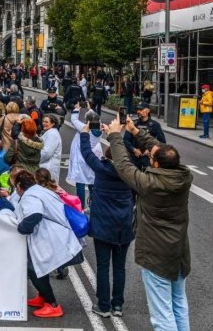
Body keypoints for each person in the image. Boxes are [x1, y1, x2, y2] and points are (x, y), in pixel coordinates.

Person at [105, 115, 192, 331]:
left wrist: (115, 136)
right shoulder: (184, 176)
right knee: (179, 304)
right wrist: (135, 132)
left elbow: (124, 166)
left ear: (155, 163)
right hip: (179, 252)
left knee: (162, 315)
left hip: (156, 255)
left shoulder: (150, 183)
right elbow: (162, 149)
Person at [79, 125, 134, 318]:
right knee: (119, 267)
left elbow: (86, 153)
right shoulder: (131, 175)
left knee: (103, 267)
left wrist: (85, 133)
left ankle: (103, 306)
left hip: (103, 226)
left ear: (107, 156)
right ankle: (117, 305)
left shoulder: (101, 169)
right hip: (124, 228)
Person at [15, 170, 82, 318]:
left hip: (53, 238)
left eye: (15, 187)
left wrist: (22, 228)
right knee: (40, 268)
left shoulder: (29, 196)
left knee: (34, 269)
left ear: (19, 186)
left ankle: (52, 305)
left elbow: (35, 214)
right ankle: (42, 297)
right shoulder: (39, 190)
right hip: (55, 235)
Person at [67, 103, 102, 210]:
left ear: (88, 121)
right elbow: (94, 118)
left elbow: (73, 120)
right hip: (91, 158)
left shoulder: (83, 128)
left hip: (81, 158)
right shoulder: (99, 130)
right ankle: (93, 205)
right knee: (92, 182)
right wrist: (90, 109)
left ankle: (80, 207)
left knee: (80, 183)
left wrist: (77, 108)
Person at [124, 102, 166, 170]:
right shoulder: (133, 124)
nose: (138, 111)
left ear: (148, 111)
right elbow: (126, 140)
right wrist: (134, 150)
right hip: (134, 157)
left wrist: (151, 150)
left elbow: (162, 142)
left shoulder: (155, 125)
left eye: (141, 109)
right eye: (137, 110)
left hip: (148, 158)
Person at [39, 114, 62, 182]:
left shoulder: (53, 134)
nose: (43, 123)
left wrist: (35, 159)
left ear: (53, 123)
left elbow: (46, 153)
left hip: (48, 167)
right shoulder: (50, 132)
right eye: (43, 121)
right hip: (46, 167)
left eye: (46, 122)